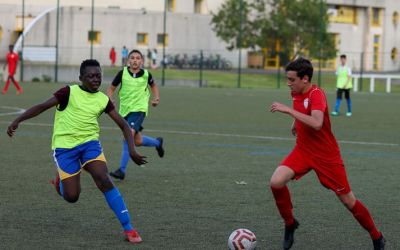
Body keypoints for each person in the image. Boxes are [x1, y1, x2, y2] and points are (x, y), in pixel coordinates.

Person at [6, 59, 147, 244]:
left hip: (90, 146)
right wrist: (18, 120)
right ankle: (61, 183)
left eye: (99, 76)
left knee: (104, 179)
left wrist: (132, 150)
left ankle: (129, 228)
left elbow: (123, 125)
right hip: (65, 148)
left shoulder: (103, 100)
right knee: (72, 197)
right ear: (81, 78)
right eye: (91, 76)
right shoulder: (68, 92)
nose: (96, 79)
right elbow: (41, 106)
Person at [269, 58, 385, 250]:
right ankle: (290, 223)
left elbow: (316, 123)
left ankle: (377, 237)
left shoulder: (317, 94)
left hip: (326, 156)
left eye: (292, 79)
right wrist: (295, 123)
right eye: (287, 79)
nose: (288, 83)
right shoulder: (296, 91)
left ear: (305, 79)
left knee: (348, 200)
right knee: (276, 182)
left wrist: (288, 112)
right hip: (303, 150)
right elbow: (302, 109)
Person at [107, 49, 164, 181]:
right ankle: (157, 143)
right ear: (128, 61)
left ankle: (121, 170)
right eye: (132, 58)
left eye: (138, 58)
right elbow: (111, 88)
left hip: (139, 110)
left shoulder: (146, 75)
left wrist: (156, 98)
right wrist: (110, 97)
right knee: (137, 141)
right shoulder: (122, 73)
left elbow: (154, 85)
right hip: (124, 111)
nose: (135, 60)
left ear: (142, 61)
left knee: (128, 135)